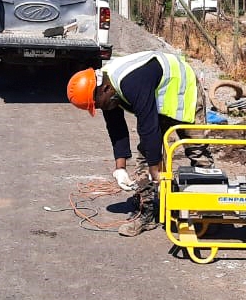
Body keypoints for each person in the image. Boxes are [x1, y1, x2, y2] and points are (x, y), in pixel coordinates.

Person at [66, 50, 209, 237]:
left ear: (105, 89)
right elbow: (116, 128)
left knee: (197, 150)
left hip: (184, 87)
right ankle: (147, 211)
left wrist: (155, 169)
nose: (100, 108)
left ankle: (209, 210)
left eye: (98, 104)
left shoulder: (131, 83)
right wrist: (120, 168)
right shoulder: (106, 89)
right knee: (147, 156)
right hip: (158, 94)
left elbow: (148, 127)